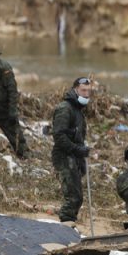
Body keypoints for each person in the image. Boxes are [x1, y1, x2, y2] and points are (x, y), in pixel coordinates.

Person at [52, 77, 92, 223]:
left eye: (88, 91)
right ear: (75, 89)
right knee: (74, 197)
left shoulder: (78, 110)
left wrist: (81, 154)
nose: (86, 94)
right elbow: (59, 136)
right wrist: (77, 150)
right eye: (83, 90)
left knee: (76, 196)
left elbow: (77, 136)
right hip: (64, 156)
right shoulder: (65, 108)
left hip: (74, 156)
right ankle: (66, 225)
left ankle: (69, 223)